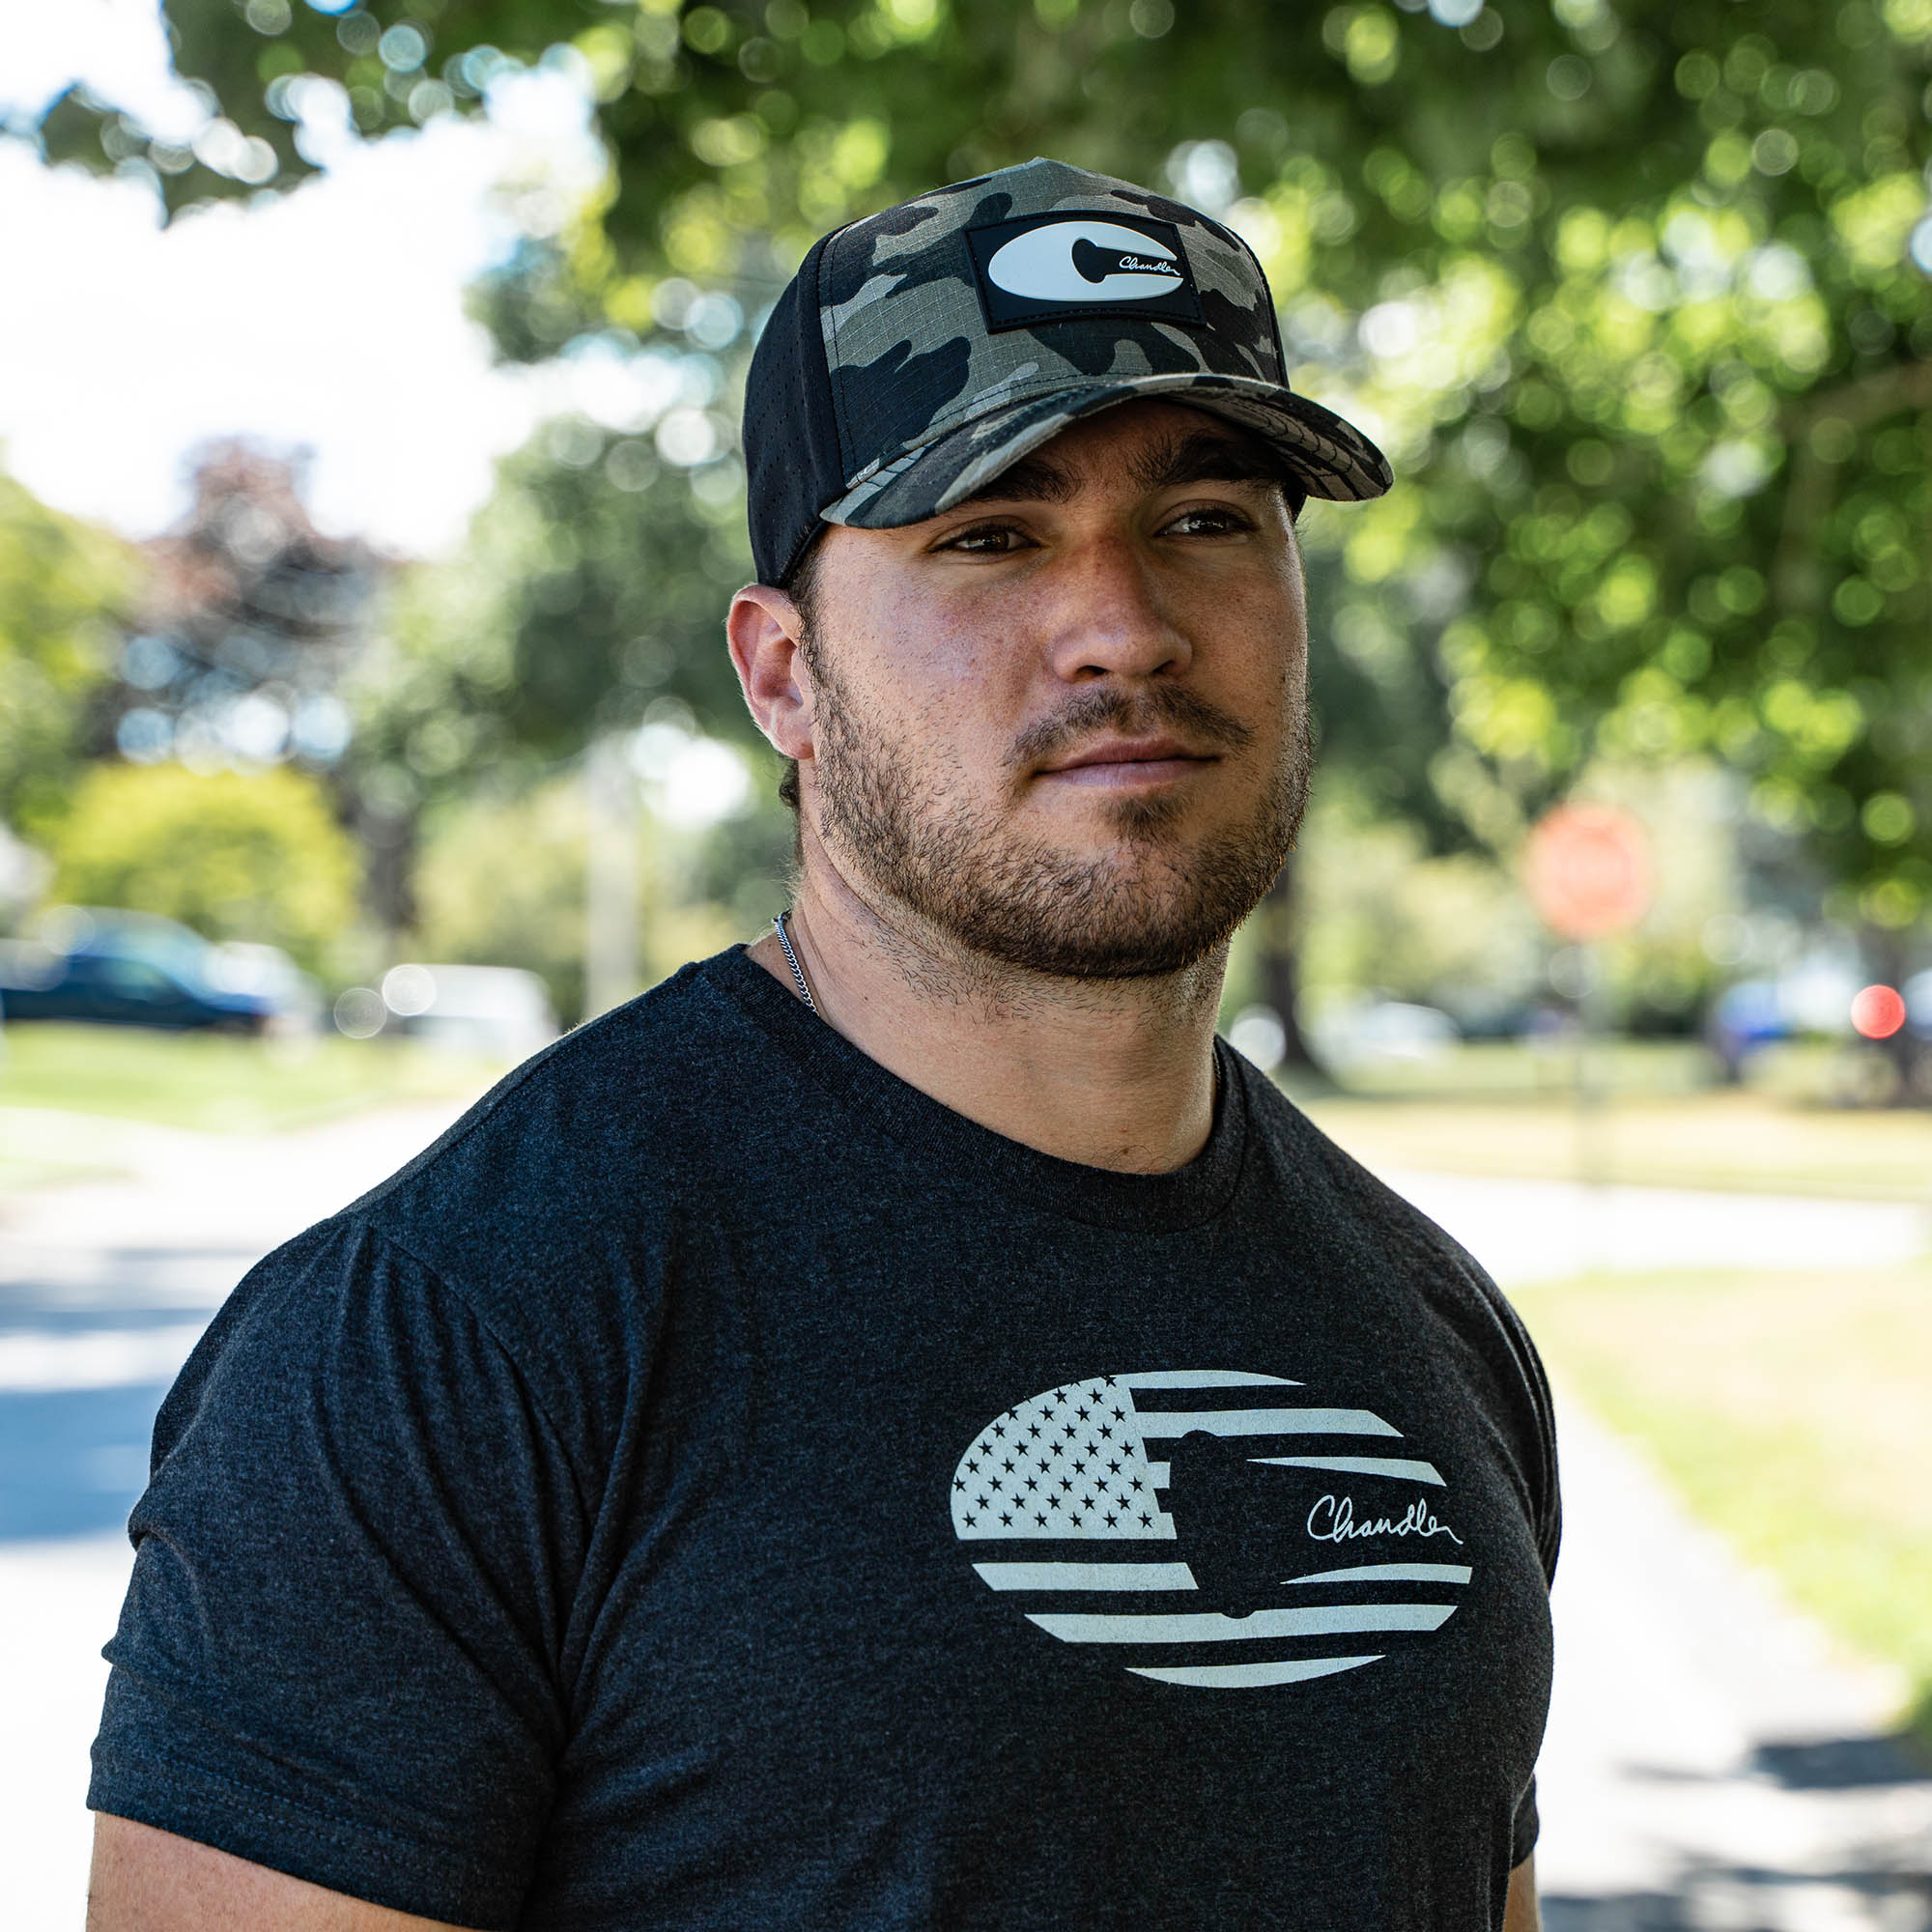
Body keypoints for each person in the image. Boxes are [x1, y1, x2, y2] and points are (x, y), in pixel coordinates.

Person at [87, 158, 1557, 1932]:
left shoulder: (1434, 1327)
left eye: (1207, 519)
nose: (1125, 626)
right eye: (990, 536)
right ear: (781, 673)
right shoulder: (448, 1336)